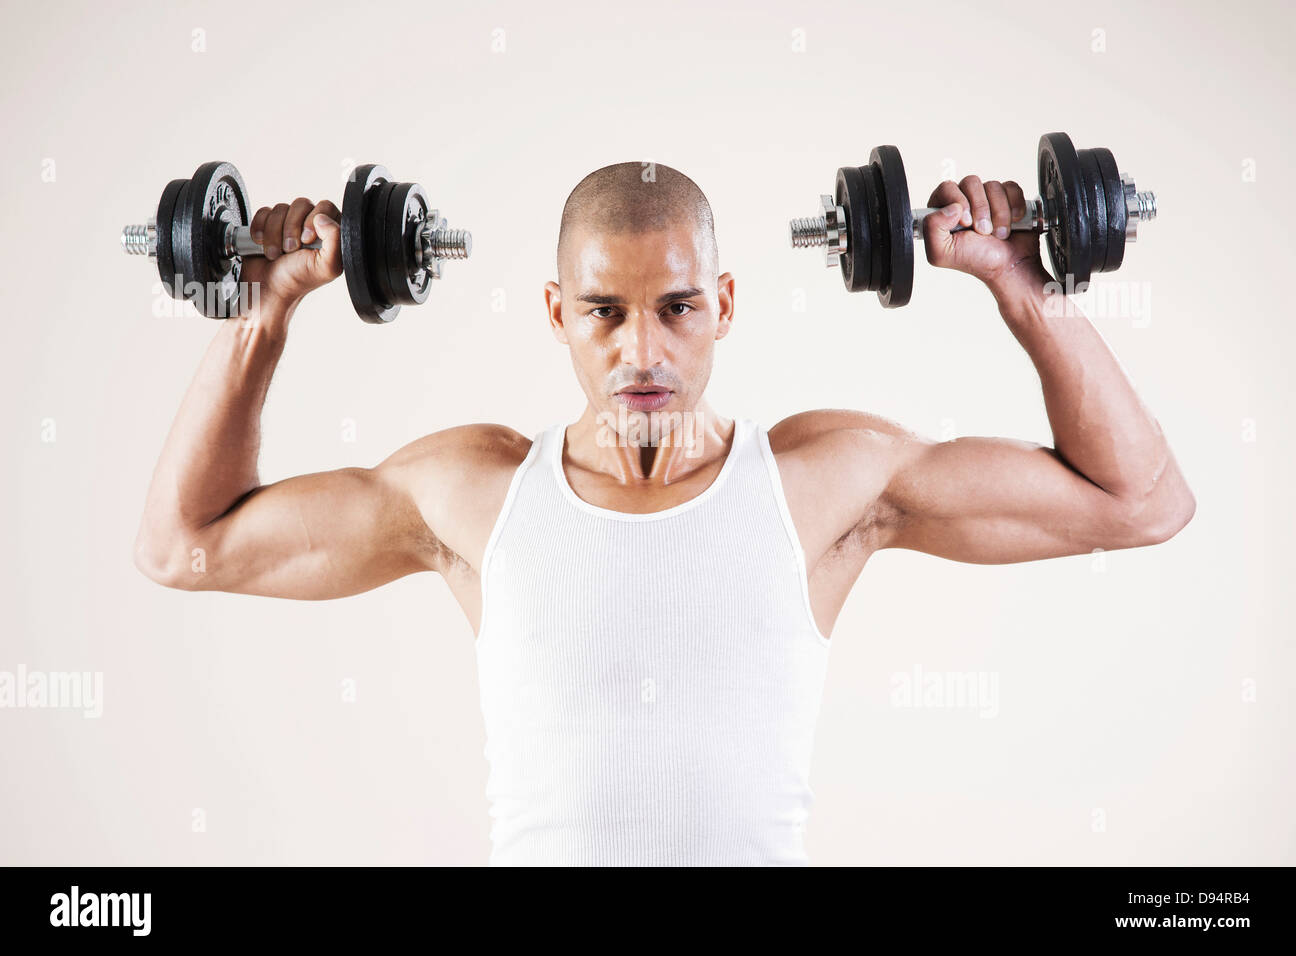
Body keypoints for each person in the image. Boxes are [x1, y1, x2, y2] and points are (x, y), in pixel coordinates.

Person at [133, 161, 1195, 866]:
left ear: (722, 304)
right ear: (558, 313)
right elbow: (185, 545)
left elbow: (1141, 503)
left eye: (677, 307)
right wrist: (262, 313)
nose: (641, 349)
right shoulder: (472, 493)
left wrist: (1017, 280)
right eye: (603, 311)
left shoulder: (825, 480)